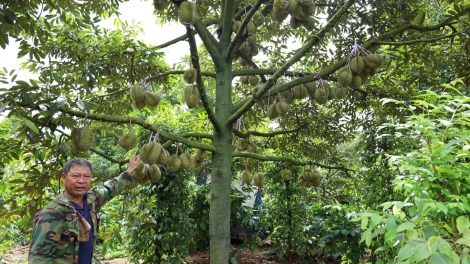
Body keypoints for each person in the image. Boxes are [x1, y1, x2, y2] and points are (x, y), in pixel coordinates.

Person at [28, 154, 144, 264]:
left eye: (86, 176)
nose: (81, 181)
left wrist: (129, 172)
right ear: (64, 178)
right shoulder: (53, 213)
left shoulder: (91, 200)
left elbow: (110, 188)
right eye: (76, 176)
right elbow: (39, 259)